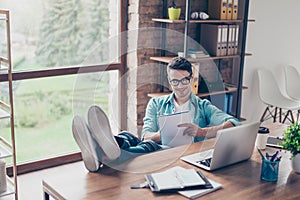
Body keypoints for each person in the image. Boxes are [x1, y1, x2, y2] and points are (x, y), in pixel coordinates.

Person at [72, 57, 240, 172]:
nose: (180, 86)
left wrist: (203, 132)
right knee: (129, 136)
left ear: (191, 79)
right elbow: (146, 136)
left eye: (184, 80)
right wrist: (164, 134)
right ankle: (108, 146)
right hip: (158, 147)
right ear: (169, 81)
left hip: (178, 156)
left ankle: (97, 150)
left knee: (148, 147)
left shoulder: (203, 106)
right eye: (175, 81)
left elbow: (234, 123)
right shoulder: (156, 104)